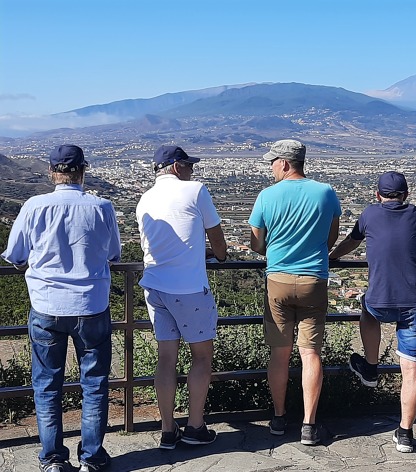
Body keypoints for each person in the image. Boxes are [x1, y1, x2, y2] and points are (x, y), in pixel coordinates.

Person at [2, 145, 121, 472]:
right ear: (83, 170)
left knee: (46, 385)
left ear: (52, 172)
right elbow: (114, 254)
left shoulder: (33, 206)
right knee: (95, 384)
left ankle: (53, 459)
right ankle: (92, 459)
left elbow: (14, 254)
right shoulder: (102, 207)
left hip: (46, 306)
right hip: (91, 306)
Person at [328, 171, 416, 453]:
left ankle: (371, 366)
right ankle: (406, 433)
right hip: (415, 301)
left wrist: (332, 257)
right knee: (412, 368)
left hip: (380, 300)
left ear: (377, 195)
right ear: (406, 195)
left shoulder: (370, 214)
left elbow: (353, 240)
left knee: (367, 308)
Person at [249, 139, 341, 445]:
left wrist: (272, 248)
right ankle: (309, 425)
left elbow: (256, 244)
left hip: (278, 278)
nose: (270, 167)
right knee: (310, 353)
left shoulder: (266, 196)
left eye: (272, 162)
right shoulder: (325, 192)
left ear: (285, 163)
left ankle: (277, 417)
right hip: (315, 278)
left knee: (280, 352)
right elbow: (331, 237)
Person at [136, 145, 227, 449]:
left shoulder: (144, 198)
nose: (192, 171)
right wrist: (219, 254)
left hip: (154, 287)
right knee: (202, 356)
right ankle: (195, 426)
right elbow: (216, 236)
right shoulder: (195, 191)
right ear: (176, 166)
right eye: (189, 165)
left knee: (166, 359)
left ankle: (166, 430)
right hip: (187, 288)